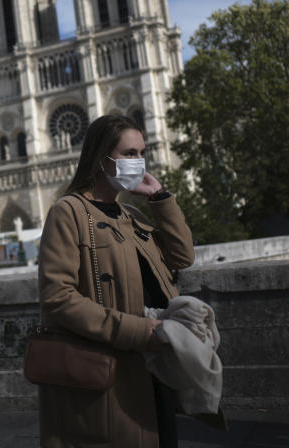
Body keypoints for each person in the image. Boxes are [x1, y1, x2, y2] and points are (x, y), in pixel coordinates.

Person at [37, 114, 195, 448]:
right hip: (111, 369)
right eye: (129, 154)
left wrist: (159, 198)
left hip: (155, 365)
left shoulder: (132, 216)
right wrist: (139, 332)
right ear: (101, 158)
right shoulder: (69, 212)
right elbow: (57, 297)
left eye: (142, 152)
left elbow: (182, 257)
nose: (139, 162)